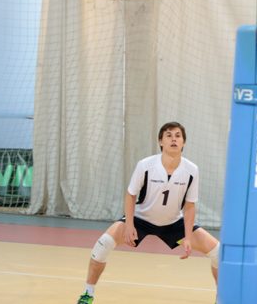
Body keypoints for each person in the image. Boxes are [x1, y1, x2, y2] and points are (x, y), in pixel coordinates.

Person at [77, 123, 218, 304]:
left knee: (218, 252)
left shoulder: (191, 170)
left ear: (183, 142)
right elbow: (131, 195)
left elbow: (190, 206)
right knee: (102, 245)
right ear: (160, 141)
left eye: (178, 135)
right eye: (168, 135)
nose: (173, 139)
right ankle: (87, 294)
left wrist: (188, 237)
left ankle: (221, 298)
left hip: (173, 224)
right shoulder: (145, 165)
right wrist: (129, 225)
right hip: (140, 220)